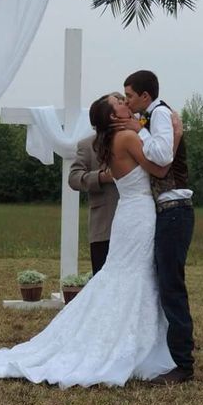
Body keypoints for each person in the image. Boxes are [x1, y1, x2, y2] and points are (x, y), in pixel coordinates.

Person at [0, 94, 182, 388]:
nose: (123, 101)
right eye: (118, 101)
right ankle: (126, 343)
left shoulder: (110, 140)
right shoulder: (128, 136)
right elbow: (161, 168)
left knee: (124, 276)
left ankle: (128, 338)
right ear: (112, 116)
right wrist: (173, 135)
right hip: (139, 214)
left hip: (129, 214)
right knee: (133, 277)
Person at [117, 70, 195, 385]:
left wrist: (140, 130)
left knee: (171, 286)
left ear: (146, 97)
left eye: (130, 96)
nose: (127, 101)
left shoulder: (160, 114)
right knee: (165, 284)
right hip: (167, 211)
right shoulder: (153, 117)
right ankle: (171, 353)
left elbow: (162, 157)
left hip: (175, 209)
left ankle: (183, 363)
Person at [68, 93, 123, 274]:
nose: (123, 105)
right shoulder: (87, 145)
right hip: (104, 226)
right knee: (103, 278)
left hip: (132, 222)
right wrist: (101, 177)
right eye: (117, 104)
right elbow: (74, 178)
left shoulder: (135, 140)